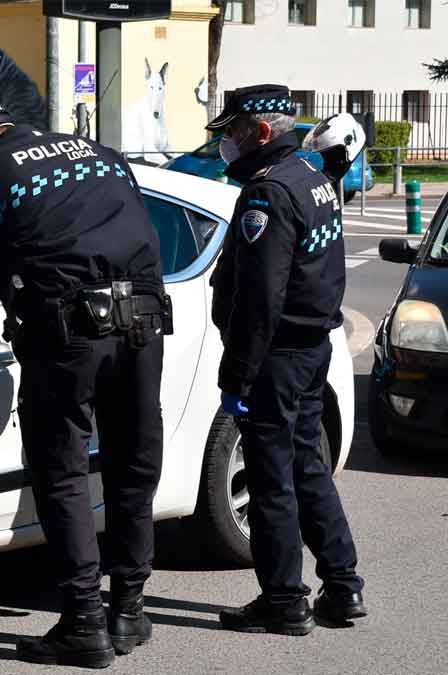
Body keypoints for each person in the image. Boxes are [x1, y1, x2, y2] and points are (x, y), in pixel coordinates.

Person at [0, 101, 171, 669]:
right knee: (131, 465)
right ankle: (129, 609)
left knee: (62, 471)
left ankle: (84, 624)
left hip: (69, 334)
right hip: (144, 322)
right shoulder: (103, 157)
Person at [206, 85, 367, 635]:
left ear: (263, 132)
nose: (227, 142)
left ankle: (283, 599)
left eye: (233, 132)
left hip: (277, 356)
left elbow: (259, 299)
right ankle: (343, 586)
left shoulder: (267, 194)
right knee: (307, 467)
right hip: (312, 346)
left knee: (273, 479)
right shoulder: (313, 177)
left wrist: (238, 375)